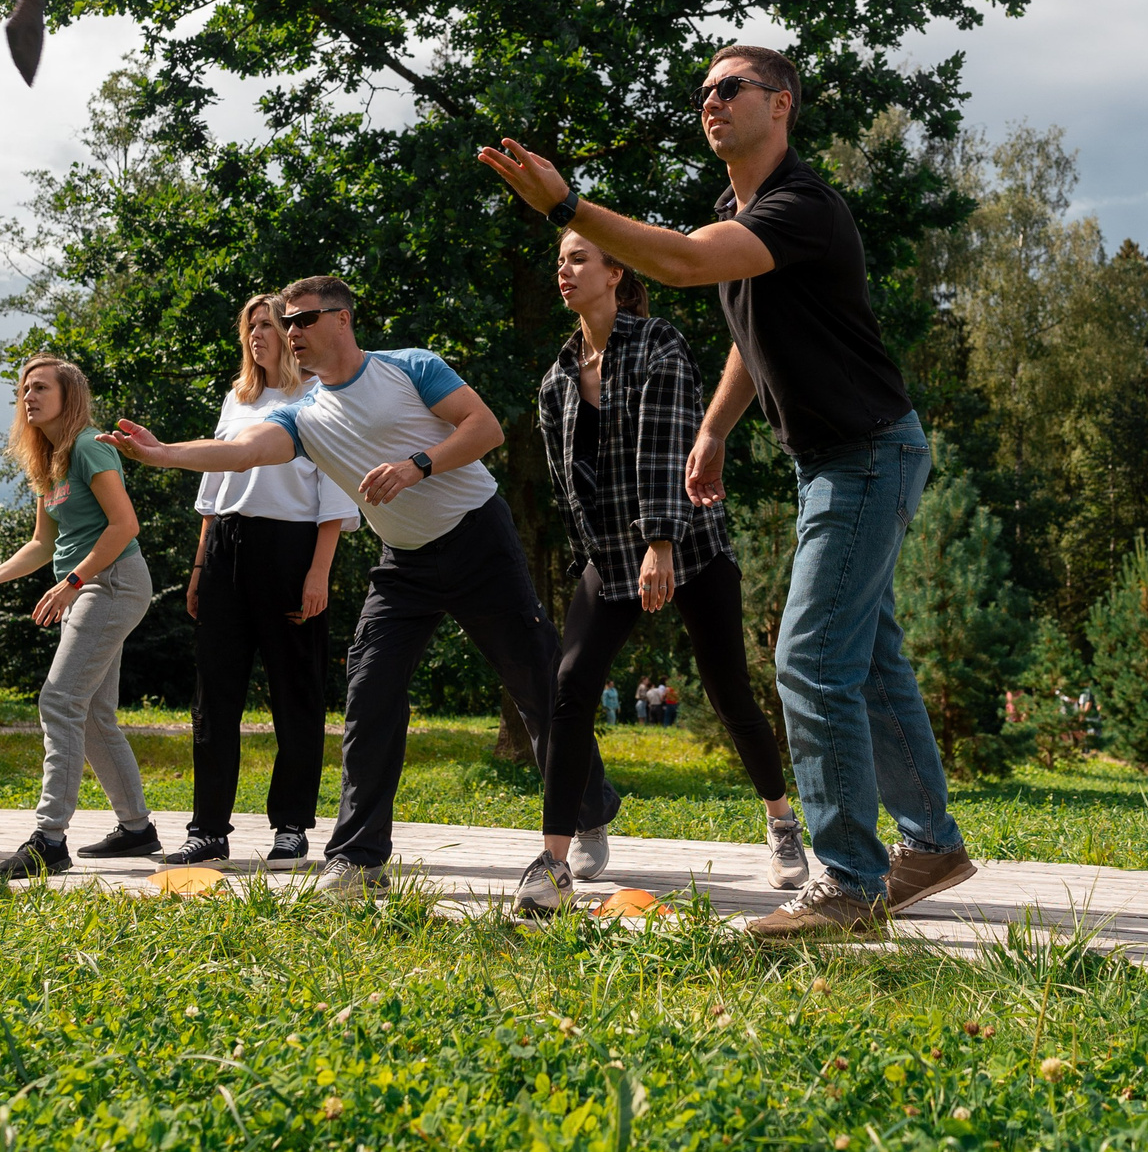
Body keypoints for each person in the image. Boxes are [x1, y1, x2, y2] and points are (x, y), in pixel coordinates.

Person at [479, 44, 975, 941]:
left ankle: (849, 881)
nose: (710, 99)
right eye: (703, 89)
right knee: (866, 659)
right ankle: (931, 844)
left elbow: (678, 265)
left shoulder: (801, 205)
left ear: (780, 104)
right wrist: (713, 428)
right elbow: (753, 337)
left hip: (867, 452)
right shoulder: (734, 211)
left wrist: (566, 204)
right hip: (831, 458)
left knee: (810, 657)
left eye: (730, 86)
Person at [106, 276, 611, 901]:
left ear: (342, 318)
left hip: (478, 541)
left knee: (537, 684)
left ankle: (587, 811)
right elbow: (240, 453)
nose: (291, 332)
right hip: (404, 565)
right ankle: (357, 858)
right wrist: (162, 454)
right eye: (286, 322)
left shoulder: (410, 368)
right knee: (369, 696)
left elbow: (485, 429)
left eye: (303, 320)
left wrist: (416, 466)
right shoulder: (302, 414)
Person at [513, 230, 808, 915]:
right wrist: (597, 557)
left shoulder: (658, 344)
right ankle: (556, 857)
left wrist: (662, 541)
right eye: (559, 260)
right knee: (569, 684)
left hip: (690, 544)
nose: (564, 270)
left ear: (615, 272)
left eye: (579, 258)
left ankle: (781, 822)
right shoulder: (556, 380)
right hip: (612, 556)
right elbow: (568, 489)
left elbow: (667, 444)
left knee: (728, 690)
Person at [160, 294, 360, 873]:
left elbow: (335, 495)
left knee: (295, 693)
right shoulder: (237, 399)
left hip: (291, 550)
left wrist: (318, 573)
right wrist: (200, 568)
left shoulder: (319, 398)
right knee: (213, 696)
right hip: (225, 547)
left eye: (267, 324)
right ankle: (207, 831)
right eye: (250, 326)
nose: (257, 335)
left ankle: (292, 828)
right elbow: (213, 486)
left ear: (289, 333)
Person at [0, 355, 163, 880]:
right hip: (88, 587)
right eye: (24, 389)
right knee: (91, 714)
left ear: (69, 396)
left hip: (111, 581)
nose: (29, 397)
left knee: (60, 700)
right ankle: (137, 828)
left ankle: (49, 839)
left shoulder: (89, 447)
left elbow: (124, 525)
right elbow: (43, 543)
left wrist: (72, 583)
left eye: (41, 387)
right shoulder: (48, 461)